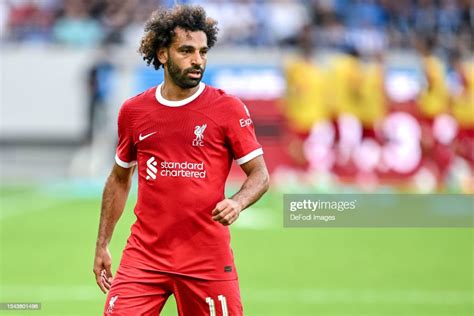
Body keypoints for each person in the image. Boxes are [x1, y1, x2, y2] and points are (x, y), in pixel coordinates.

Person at [92, 5, 269, 316]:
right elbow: (119, 178)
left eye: (202, 51)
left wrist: (238, 202)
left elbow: (260, 175)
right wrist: (102, 244)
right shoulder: (135, 111)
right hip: (144, 258)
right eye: (186, 51)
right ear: (162, 54)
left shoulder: (227, 108)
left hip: (207, 260)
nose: (197, 59)